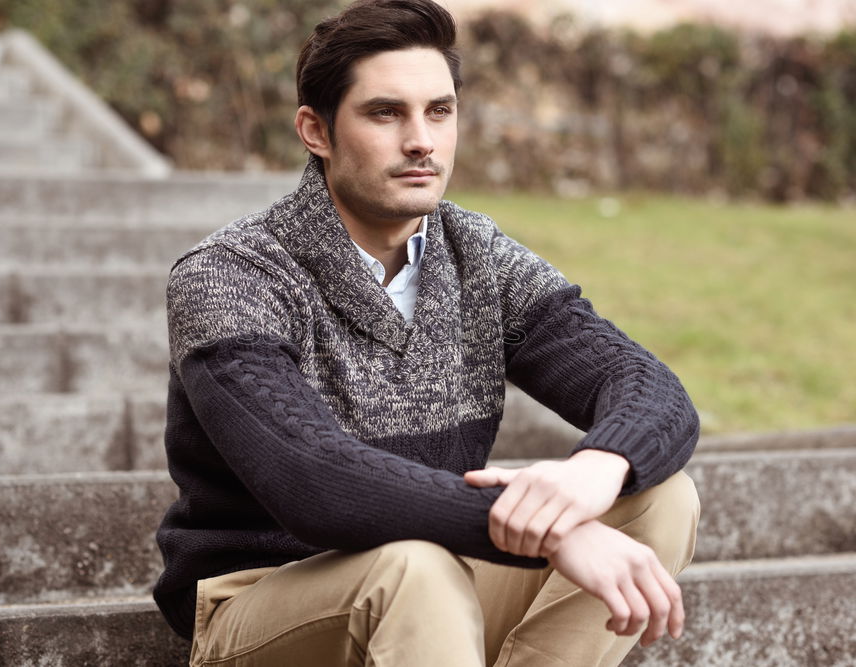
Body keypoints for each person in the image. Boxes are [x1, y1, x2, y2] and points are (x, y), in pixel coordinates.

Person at [153, 0, 700, 665]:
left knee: (658, 494)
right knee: (413, 567)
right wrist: (551, 535)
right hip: (264, 604)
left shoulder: (477, 254)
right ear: (315, 131)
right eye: (386, 113)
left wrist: (594, 470)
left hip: (446, 578)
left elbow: (644, 384)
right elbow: (314, 481)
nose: (422, 141)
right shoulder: (230, 274)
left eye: (439, 111)